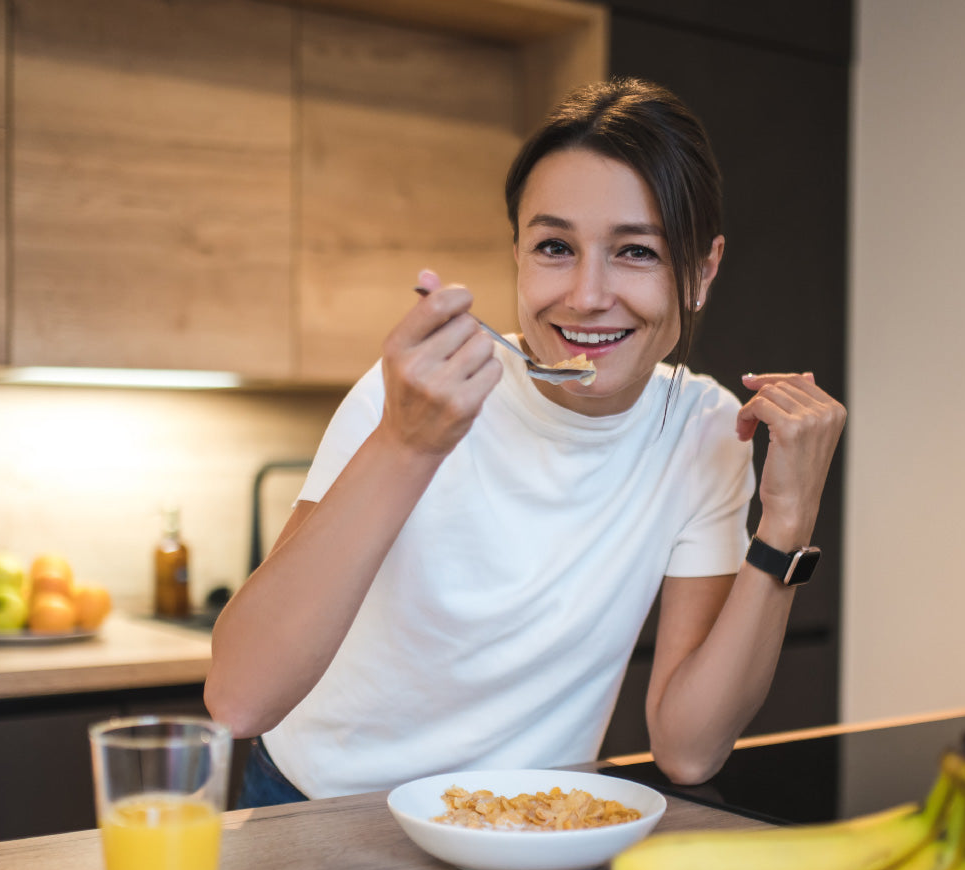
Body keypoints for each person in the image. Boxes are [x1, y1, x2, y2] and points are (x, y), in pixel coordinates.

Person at [206, 77, 845, 806]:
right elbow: (239, 700)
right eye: (553, 247)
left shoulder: (703, 430)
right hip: (317, 814)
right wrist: (406, 443)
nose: (585, 294)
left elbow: (689, 749)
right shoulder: (415, 394)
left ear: (700, 272)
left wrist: (786, 525)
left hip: (527, 830)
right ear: (516, 254)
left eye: (635, 252)